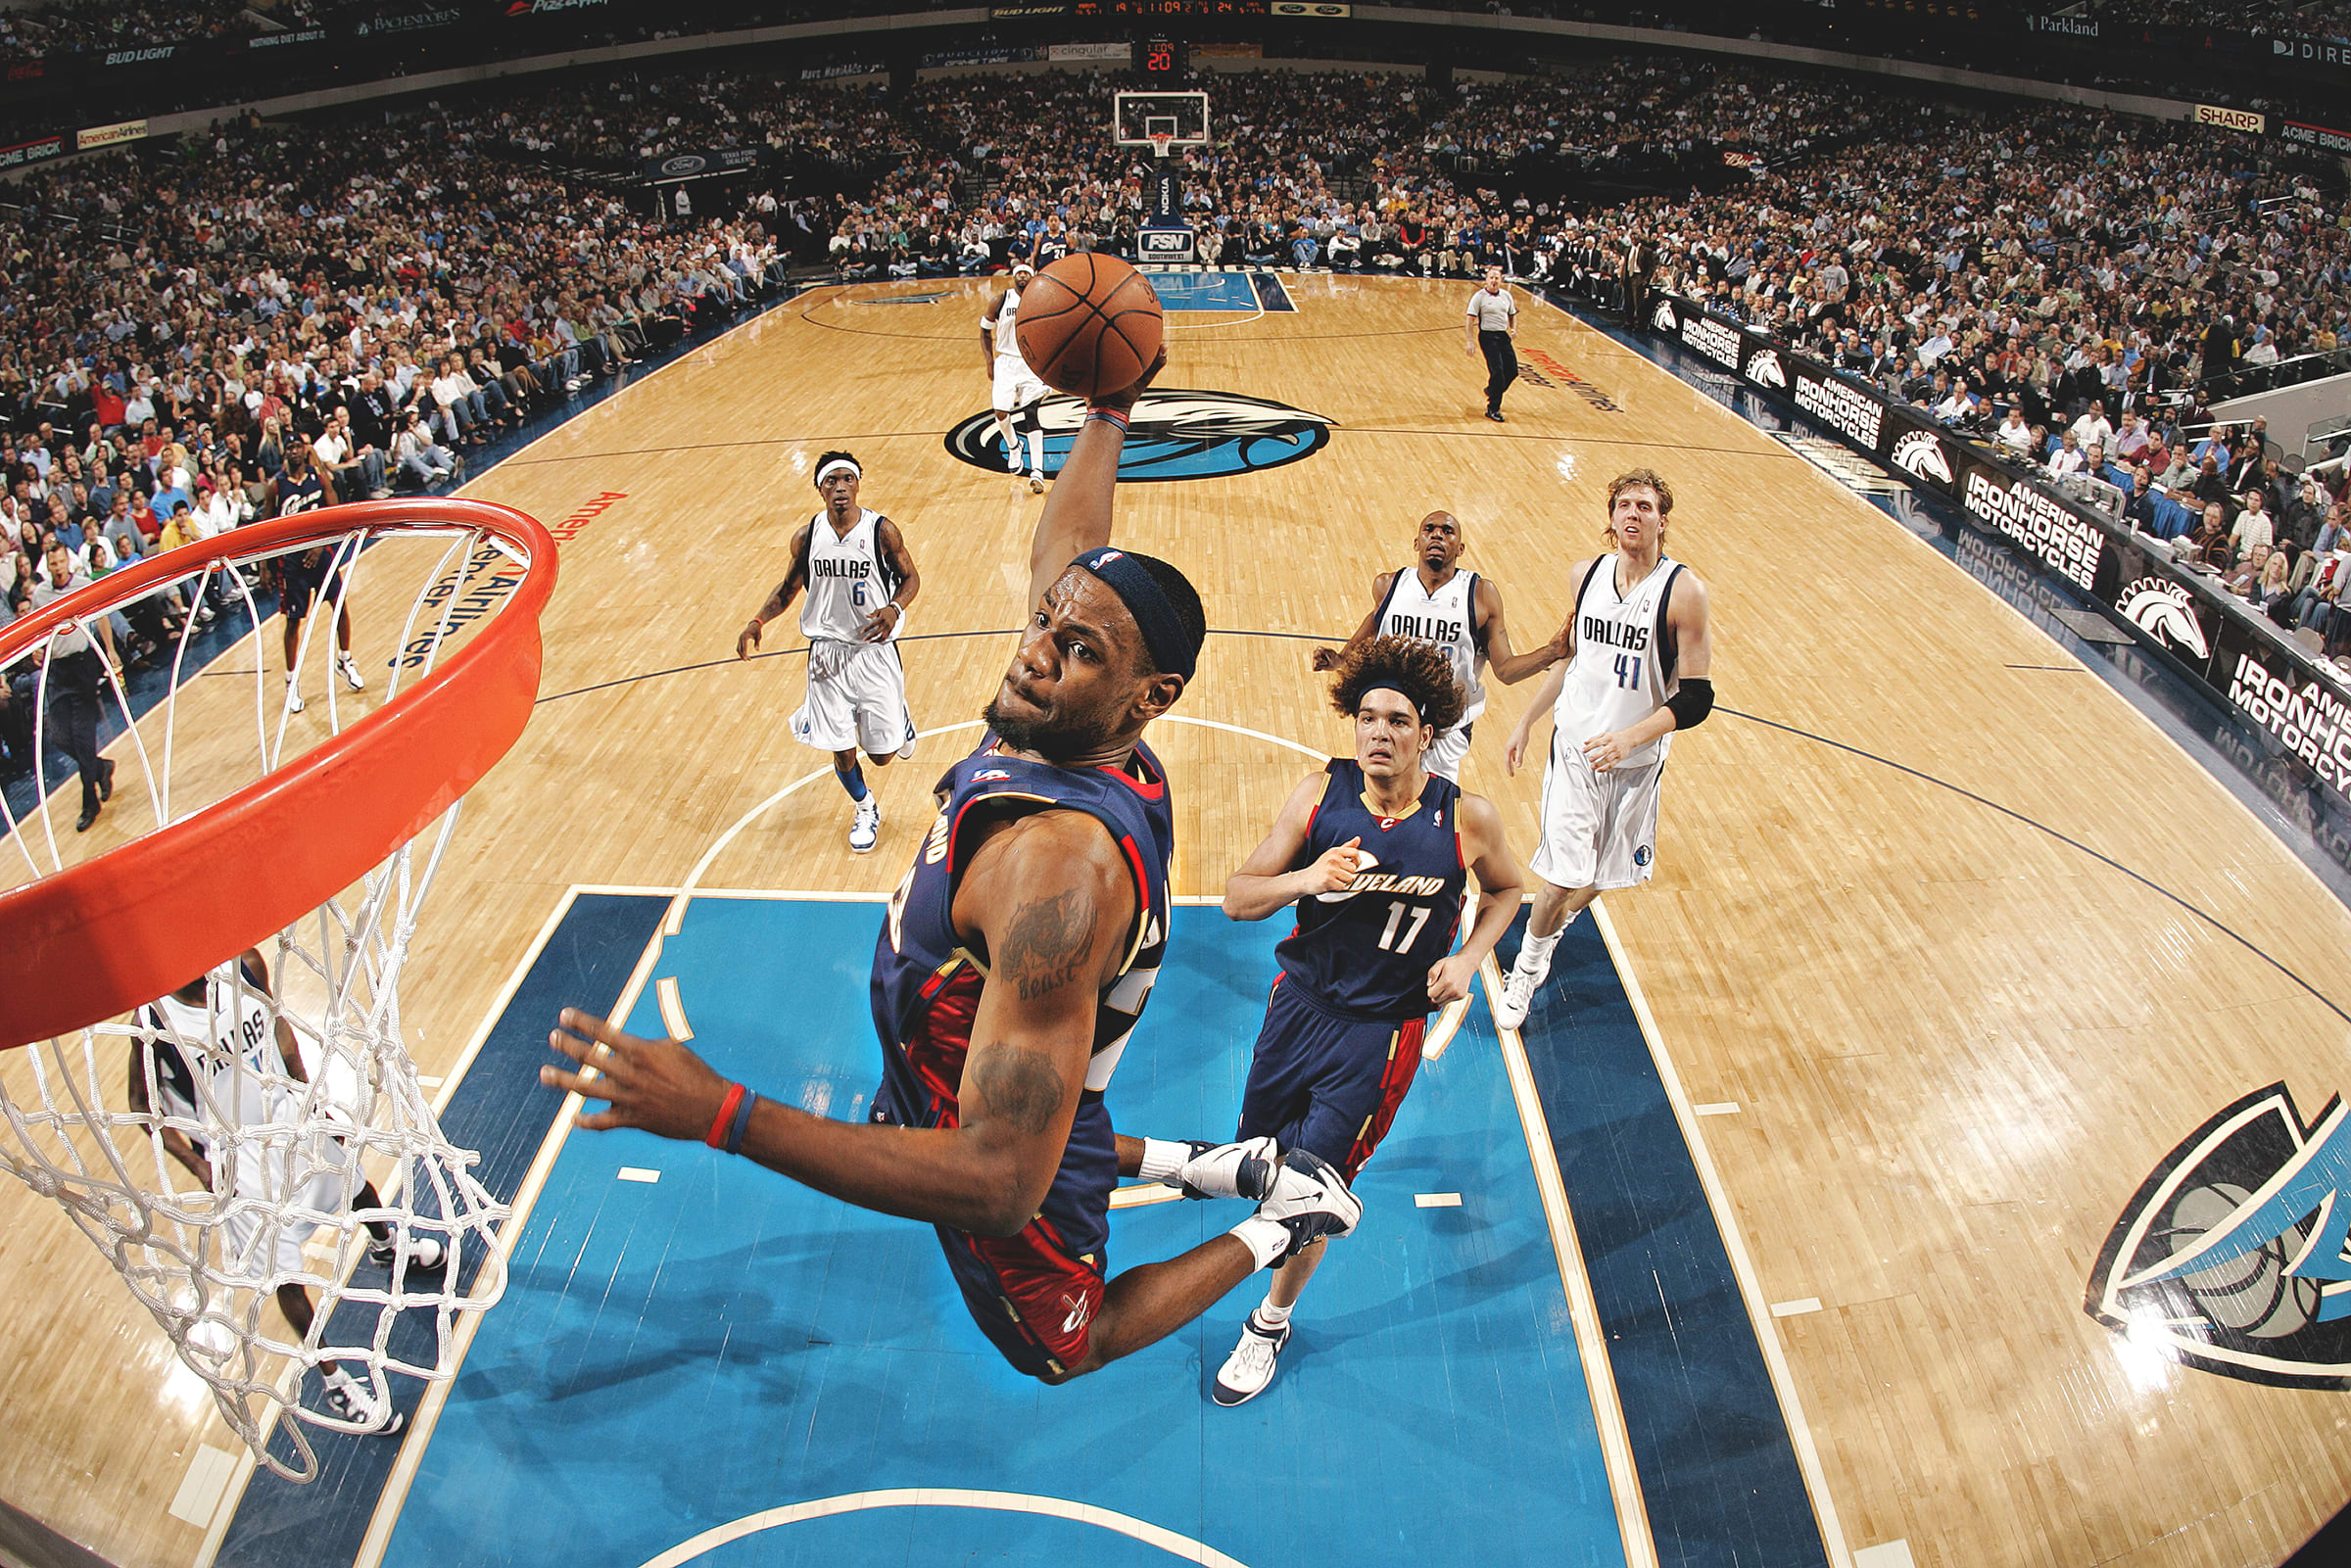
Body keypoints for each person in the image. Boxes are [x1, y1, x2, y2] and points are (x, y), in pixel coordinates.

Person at [544, 348, 1363, 1386]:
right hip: (968, 1061)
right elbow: (1071, 543)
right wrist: (1107, 410)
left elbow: (998, 1182)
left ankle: (1283, 1215)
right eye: (1044, 622)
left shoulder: (1059, 872)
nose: (1036, 650)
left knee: (1064, 1346)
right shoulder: (1062, 714)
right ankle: (1208, 1164)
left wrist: (725, 1113)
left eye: (1078, 650)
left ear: (1150, 696)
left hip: (1008, 1140)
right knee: (1040, 1114)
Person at [1209, 635, 1525, 1403]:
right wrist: (1306, 877)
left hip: (1379, 1038)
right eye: (1368, 718)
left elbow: (1510, 891)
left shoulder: (1465, 820)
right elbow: (1236, 896)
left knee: (1311, 1189)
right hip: (1298, 1014)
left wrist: (1472, 956)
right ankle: (1276, 1247)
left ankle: (1269, 1322)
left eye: (1398, 721)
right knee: (1264, 1161)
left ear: (1427, 733)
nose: (1379, 733)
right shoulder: (1320, 795)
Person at [126, 949, 445, 1434]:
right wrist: (196, 1165)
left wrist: (307, 1091)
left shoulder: (244, 964)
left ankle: (386, 1247)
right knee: (285, 1278)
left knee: (358, 1188)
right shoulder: (153, 1022)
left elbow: (276, 1024)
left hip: (287, 1116)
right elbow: (142, 1105)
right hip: (237, 1158)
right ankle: (335, 1380)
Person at [1494, 468, 1716, 1030]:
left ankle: (1552, 929)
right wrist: (1525, 720)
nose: (1633, 514)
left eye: (1644, 506)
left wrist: (1628, 739)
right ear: (1610, 516)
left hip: (1635, 761)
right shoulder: (1585, 575)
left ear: (1663, 520)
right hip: (1574, 749)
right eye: (1623, 505)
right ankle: (1528, 965)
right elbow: (1576, 661)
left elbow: (1697, 698)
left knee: (1604, 876)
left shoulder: (1683, 592)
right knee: (1563, 878)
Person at [735, 451, 924, 853]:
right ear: (820, 489)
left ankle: (900, 719)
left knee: (884, 756)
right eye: (831, 482)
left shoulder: (881, 531)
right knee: (840, 748)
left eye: (846, 480)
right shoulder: (807, 538)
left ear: (858, 484)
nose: (840, 488)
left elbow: (911, 578)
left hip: (873, 652)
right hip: (826, 656)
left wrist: (894, 607)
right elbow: (787, 589)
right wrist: (758, 620)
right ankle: (865, 807)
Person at [1311, 510, 1561, 782]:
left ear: (1460, 548)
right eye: (1429, 529)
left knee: (1429, 816)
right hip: (1390, 721)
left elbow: (1506, 670)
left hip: (1445, 730)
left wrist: (1551, 652)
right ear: (1416, 542)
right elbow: (1363, 647)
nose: (1437, 535)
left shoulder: (1480, 595)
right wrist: (1336, 660)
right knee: (1379, 807)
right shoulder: (1388, 586)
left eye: (1447, 531)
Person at [26, 535, 118, 831]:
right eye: (52, 563)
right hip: (57, 671)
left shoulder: (82, 584)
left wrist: (111, 650)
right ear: (48, 566)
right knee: (57, 735)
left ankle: (89, 800)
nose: (57, 567)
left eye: (61, 561)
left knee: (82, 736)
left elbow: (101, 617)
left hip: (82, 666)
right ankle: (101, 767)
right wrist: (37, 650)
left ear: (68, 560)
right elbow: (37, 629)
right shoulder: (40, 594)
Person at [269, 447, 362, 714]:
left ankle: (345, 660)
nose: (295, 451)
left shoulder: (317, 476)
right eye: (291, 448)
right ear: (285, 453)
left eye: (299, 446)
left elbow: (334, 510)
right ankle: (291, 683)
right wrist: (266, 567)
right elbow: (266, 526)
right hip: (292, 563)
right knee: (292, 622)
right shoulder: (275, 487)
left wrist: (321, 546)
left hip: (321, 553)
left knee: (340, 606)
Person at [981, 261, 1051, 493]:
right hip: (1006, 362)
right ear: (1014, 277)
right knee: (1001, 413)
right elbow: (984, 330)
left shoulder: (1040, 300)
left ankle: (1037, 472)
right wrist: (990, 362)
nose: (1022, 276)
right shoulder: (1001, 300)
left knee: (1031, 413)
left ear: (1032, 277)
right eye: (1019, 272)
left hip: (1031, 363)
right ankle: (1014, 446)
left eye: (1026, 273)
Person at [1465, 265, 1519, 423]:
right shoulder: (1479, 297)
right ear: (1486, 280)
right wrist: (1470, 340)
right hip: (1488, 337)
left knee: (1512, 371)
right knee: (1497, 372)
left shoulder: (1506, 296)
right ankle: (1493, 408)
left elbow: (1512, 314)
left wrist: (1514, 328)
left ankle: (1492, 390)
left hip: (1503, 336)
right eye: (1491, 278)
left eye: (1497, 278)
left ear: (1501, 280)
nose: (1494, 281)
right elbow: (1470, 319)